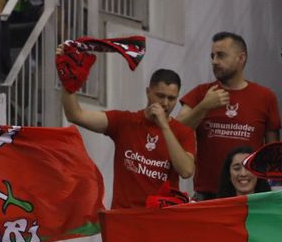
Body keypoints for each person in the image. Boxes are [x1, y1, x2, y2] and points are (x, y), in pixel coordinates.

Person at [63, 67, 196, 209]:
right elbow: (75, 115)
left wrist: (164, 126)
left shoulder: (183, 132)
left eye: (171, 98)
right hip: (123, 219)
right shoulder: (125, 121)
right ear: (148, 92)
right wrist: (68, 80)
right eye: (160, 96)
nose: (165, 103)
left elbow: (186, 171)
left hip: (159, 220)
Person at [178, 32, 280, 198]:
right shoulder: (202, 93)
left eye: (221, 56)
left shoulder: (265, 97)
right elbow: (175, 131)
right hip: (208, 196)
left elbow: (272, 153)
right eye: (212, 56)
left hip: (251, 195)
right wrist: (203, 107)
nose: (214, 61)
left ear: (241, 58)